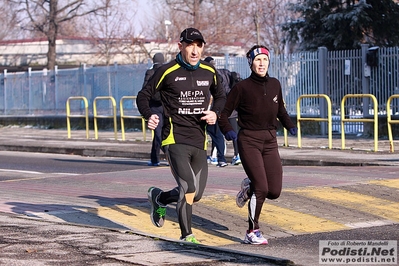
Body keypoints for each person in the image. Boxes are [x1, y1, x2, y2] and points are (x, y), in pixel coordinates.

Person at [136, 27, 226, 244]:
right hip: (174, 139)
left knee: (196, 194)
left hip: (199, 140)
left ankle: (160, 198)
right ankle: (187, 236)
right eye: (190, 45)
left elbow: (222, 96)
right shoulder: (167, 71)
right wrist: (149, 115)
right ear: (181, 46)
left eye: (199, 45)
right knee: (188, 188)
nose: (194, 51)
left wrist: (216, 112)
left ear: (203, 47)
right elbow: (143, 96)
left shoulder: (209, 71)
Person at [218, 45, 297, 245]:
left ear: (269, 62)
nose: (261, 63)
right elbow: (224, 114)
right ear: (251, 63)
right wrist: (228, 130)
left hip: (270, 140)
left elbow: (281, 111)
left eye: (265, 59)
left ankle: (249, 187)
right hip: (249, 141)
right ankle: (252, 231)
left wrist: (290, 126)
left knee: (274, 191)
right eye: (257, 60)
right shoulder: (241, 88)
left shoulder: (275, 84)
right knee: (262, 188)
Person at [141, 53, 166, 166]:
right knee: (166, 132)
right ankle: (168, 158)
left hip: (154, 107)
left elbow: (145, 89)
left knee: (158, 133)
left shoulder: (150, 72)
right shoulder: (167, 71)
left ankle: (155, 159)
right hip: (166, 106)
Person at [203, 56, 228, 167]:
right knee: (216, 135)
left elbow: (219, 95)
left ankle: (220, 158)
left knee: (215, 135)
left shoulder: (209, 76)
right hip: (215, 110)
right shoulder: (219, 75)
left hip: (210, 110)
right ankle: (220, 158)